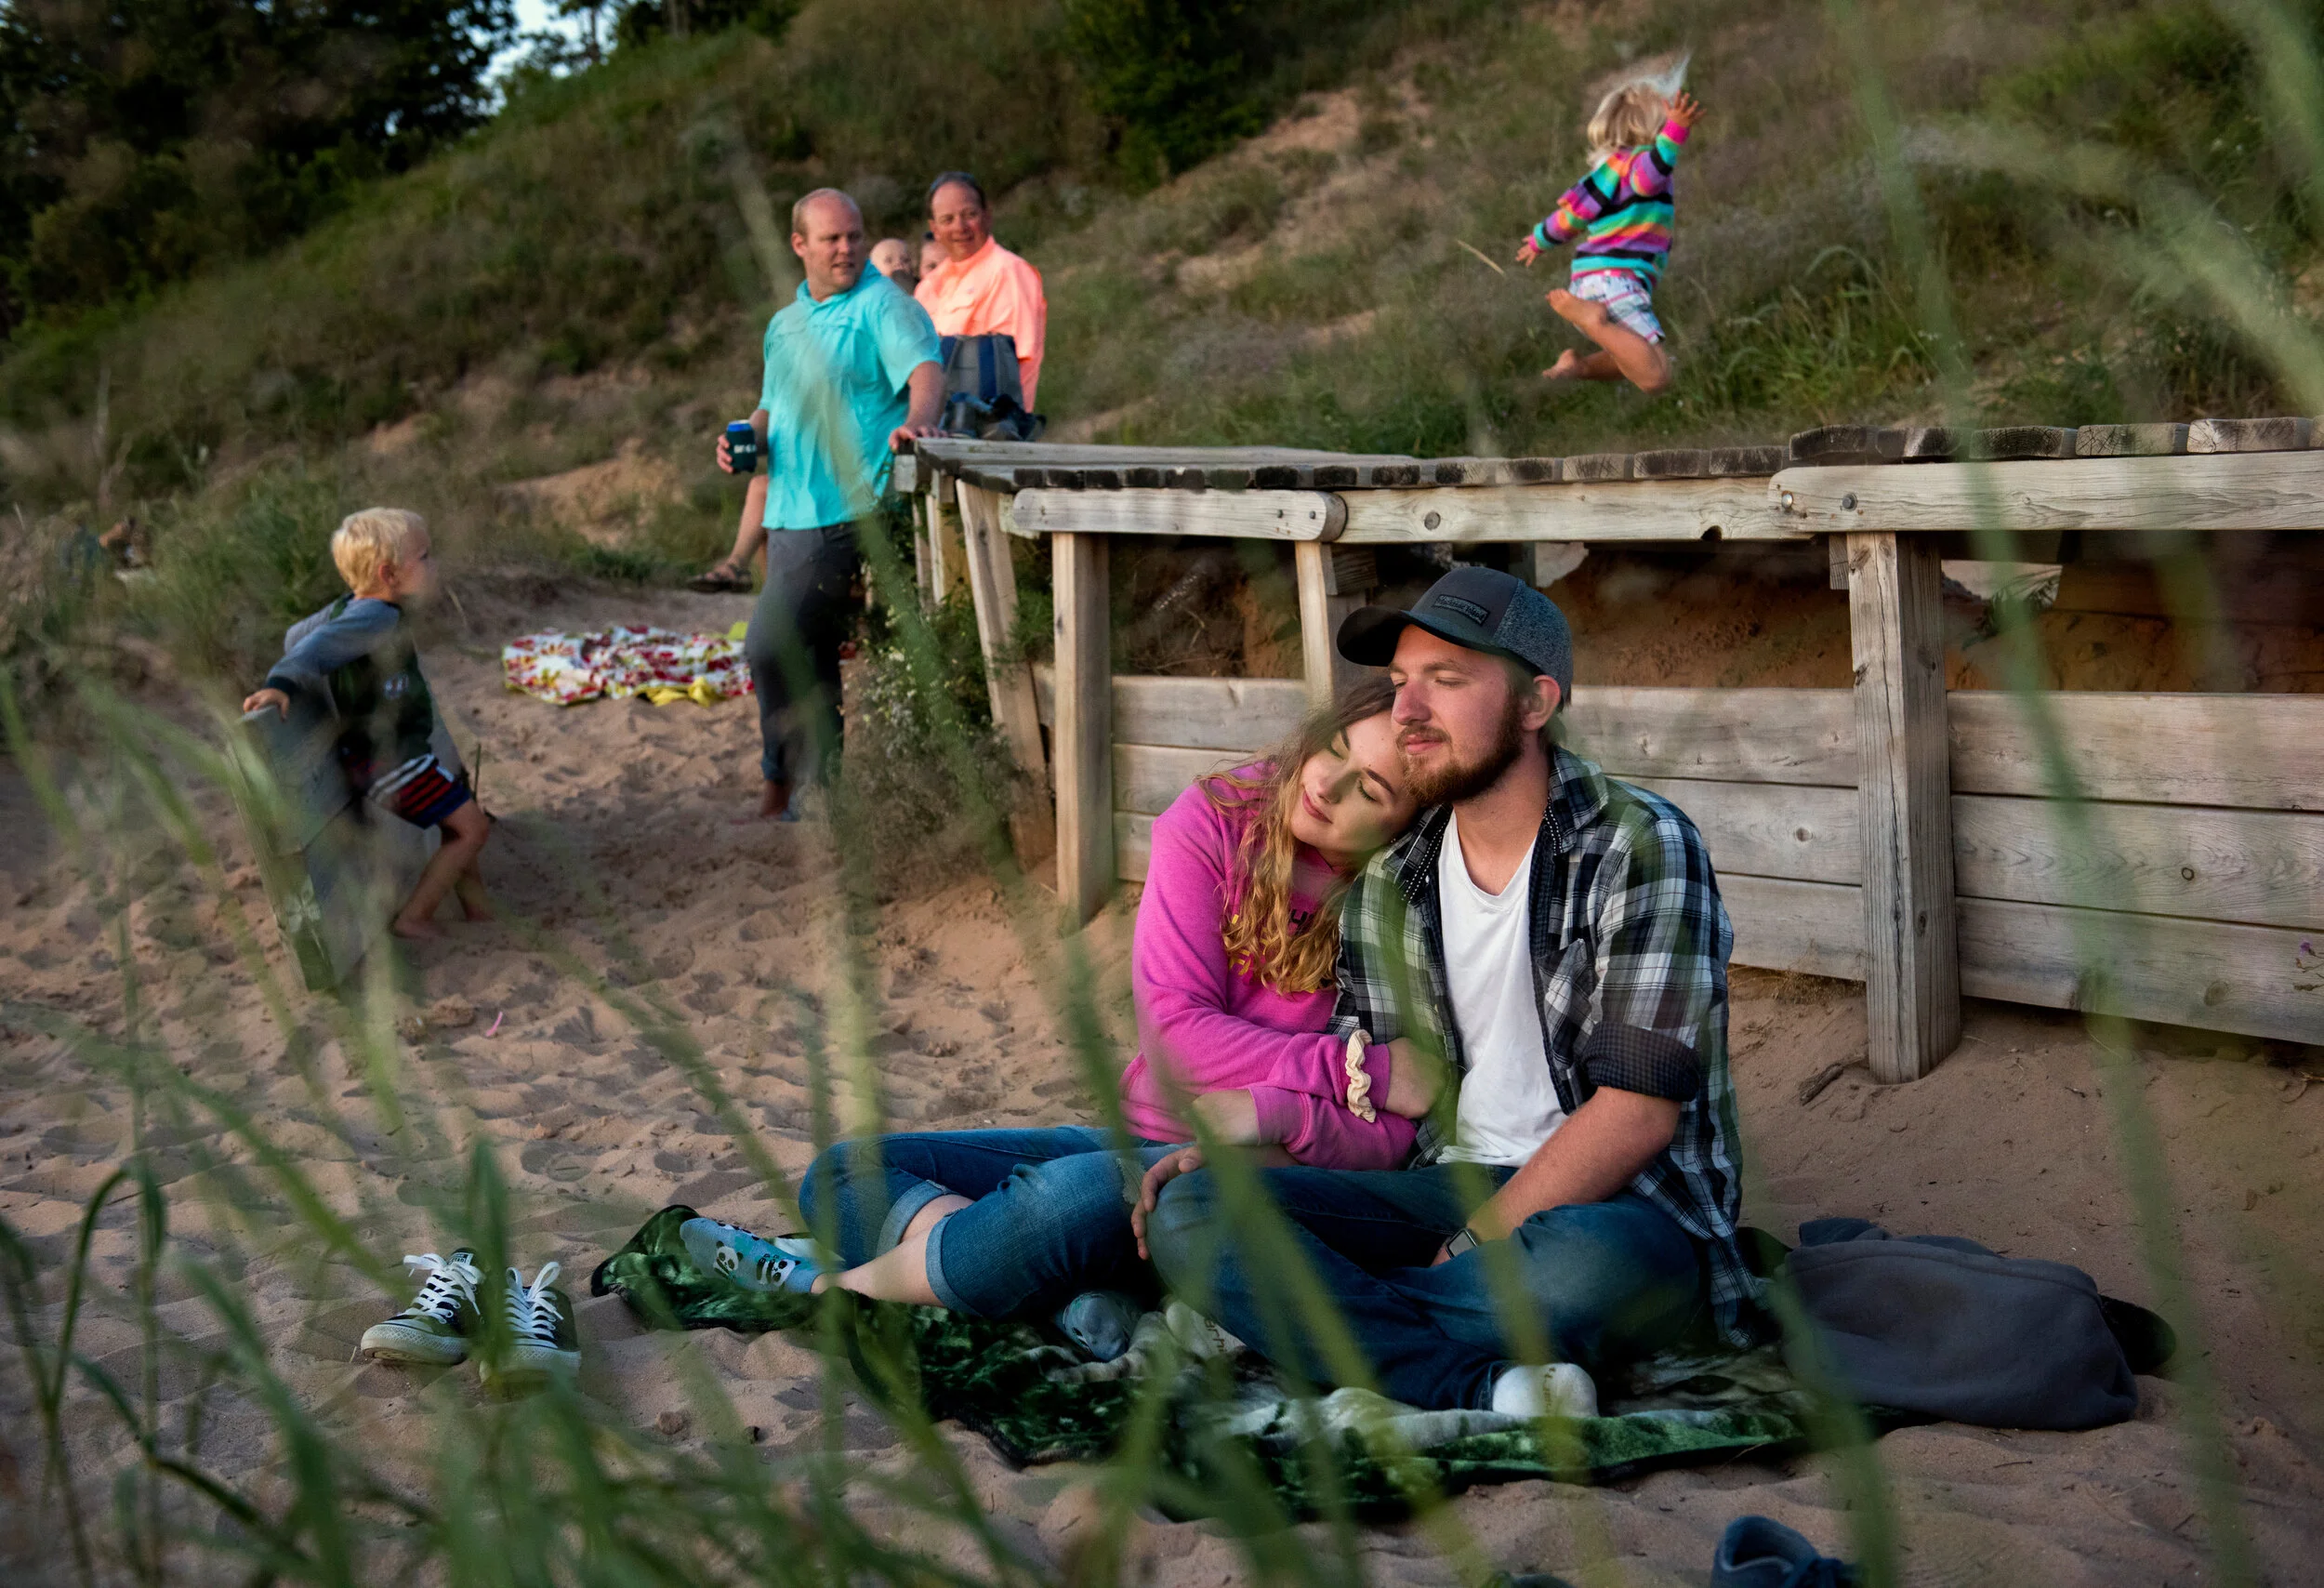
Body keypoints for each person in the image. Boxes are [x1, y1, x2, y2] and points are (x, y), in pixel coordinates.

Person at [1142, 566, 1754, 1417]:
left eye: (1447, 681)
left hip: (1609, 1209)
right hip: (1437, 1189)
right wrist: (1273, 1149)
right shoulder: (1394, 880)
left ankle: (1333, 1325)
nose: (1406, 712)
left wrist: (1475, 1242)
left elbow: (1637, 1114)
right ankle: (1478, 1377)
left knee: (1591, 1268)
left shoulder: (1639, 845)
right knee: (1193, 1210)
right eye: (1398, 684)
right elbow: (1383, 1113)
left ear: (1536, 705)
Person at [681, 681, 1425, 1357]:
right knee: (846, 1173)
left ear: (1408, 824)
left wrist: (1268, 1120)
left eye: (1373, 787)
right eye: (1333, 748)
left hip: (1251, 1185)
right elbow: (1176, 1037)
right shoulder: (1216, 822)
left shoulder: (1402, 904)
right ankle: (1054, 1286)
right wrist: (1359, 1071)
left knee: (1075, 1196)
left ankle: (833, 1295)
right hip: (1136, 1135)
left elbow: (1394, 1134)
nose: (1327, 783)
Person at [693, 189, 944, 820]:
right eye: (832, 239)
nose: (848, 249)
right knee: (811, 648)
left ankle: (785, 778)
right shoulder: (786, 324)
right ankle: (814, 783)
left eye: (854, 236)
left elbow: (925, 373)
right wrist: (740, 441)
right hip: (788, 510)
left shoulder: (883, 305)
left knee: (768, 645)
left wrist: (918, 424)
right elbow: (770, 408)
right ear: (799, 245)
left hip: (850, 505)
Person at [242, 509, 492, 941]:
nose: (434, 566)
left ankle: (479, 911)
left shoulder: (353, 609)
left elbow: (297, 634)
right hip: (390, 760)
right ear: (389, 573)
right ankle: (415, 917)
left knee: (459, 811)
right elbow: (309, 647)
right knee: (472, 828)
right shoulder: (375, 617)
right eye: (425, 557)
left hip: (389, 756)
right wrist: (282, 681)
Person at [1515, 86, 1703, 394]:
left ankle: (1579, 366)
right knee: (1655, 376)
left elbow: (1570, 218)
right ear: (1653, 127)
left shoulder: (1606, 173)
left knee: (1633, 355)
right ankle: (1594, 322)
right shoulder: (1639, 165)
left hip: (1593, 282)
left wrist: (1539, 239)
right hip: (1615, 281)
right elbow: (1650, 176)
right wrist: (1676, 130)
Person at [915, 171, 1048, 409]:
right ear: (934, 229)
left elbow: (1005, 366)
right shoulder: (926, 287)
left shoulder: (1010, 272)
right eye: (948, 219)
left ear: (987, 215)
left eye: (970, 215)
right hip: (934, 430)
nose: (960, 227)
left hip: (990, 431)